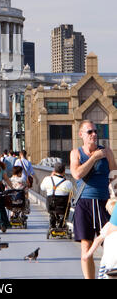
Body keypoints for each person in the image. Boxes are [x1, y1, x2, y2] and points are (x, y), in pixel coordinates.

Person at [70, 119, 117, 279]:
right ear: (81, 134)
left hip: (104, 202)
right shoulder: (76, 153)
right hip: (84, 202)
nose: (94, 134)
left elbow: (114, 176)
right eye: (90, 132)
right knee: (86, 244)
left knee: (110, 241)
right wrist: (94, 158)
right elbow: (77, 174)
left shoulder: (107, 152)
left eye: (96, 131)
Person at [82, 198, 117, 278]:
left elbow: (97, 240)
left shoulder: (108, 226)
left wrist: (87, 254)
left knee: (103, 274)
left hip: (110, 261)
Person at [40, 162, 73, 228]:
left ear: (54, 171)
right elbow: (71, 192)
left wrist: (50, 176)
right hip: (62, 207)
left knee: (50, 200)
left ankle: (53, 219)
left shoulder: (47, 179)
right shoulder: (68, 182)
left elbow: (42, 188)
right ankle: (62, 222)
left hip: (51, 205)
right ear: (64, 171)